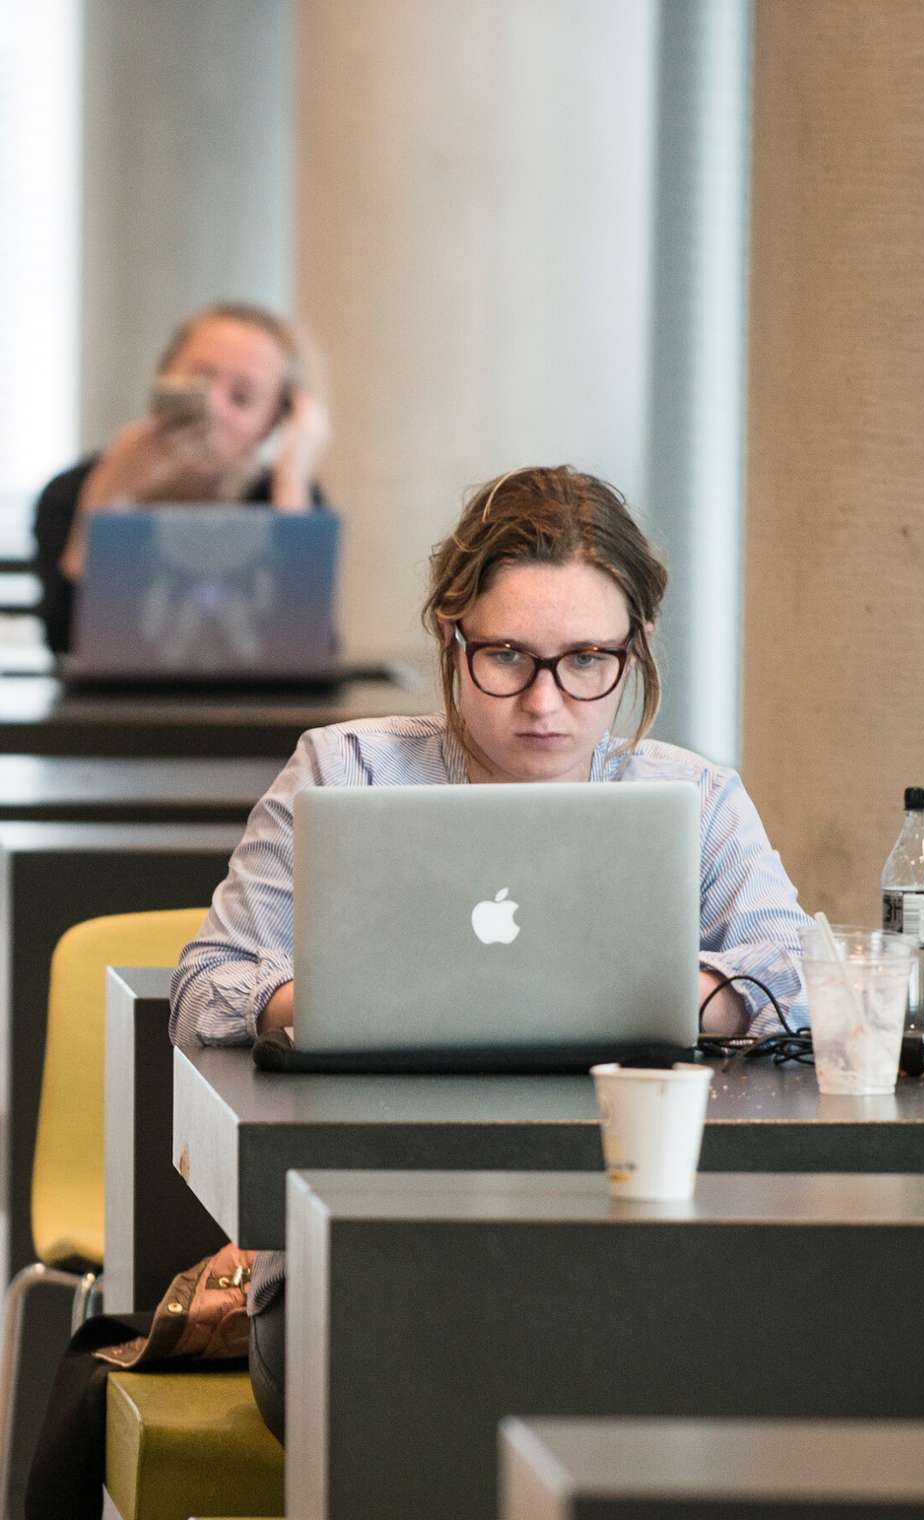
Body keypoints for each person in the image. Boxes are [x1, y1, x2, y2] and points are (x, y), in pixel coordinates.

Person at [168, 463, 813, 1443]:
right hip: (361, 1233)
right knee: (398, 1381)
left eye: (588, 658)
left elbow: (798, 970)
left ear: (634, 651)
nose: (547, 702)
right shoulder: (346, 771)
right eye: (508, 656)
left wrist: (659, 990)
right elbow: (207, 985)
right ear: (451, 632)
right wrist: (355, 994)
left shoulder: (696, 797)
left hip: (623, 1234)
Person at [33, 300, 330, 652]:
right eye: (198, 383)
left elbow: (308, 650)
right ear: (161, 378)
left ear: (274, 423)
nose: (213, 407)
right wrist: (107, 498)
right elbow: (64, 641)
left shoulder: (286, 499)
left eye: (241, 398)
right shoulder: (73, 490)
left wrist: (292, 484)